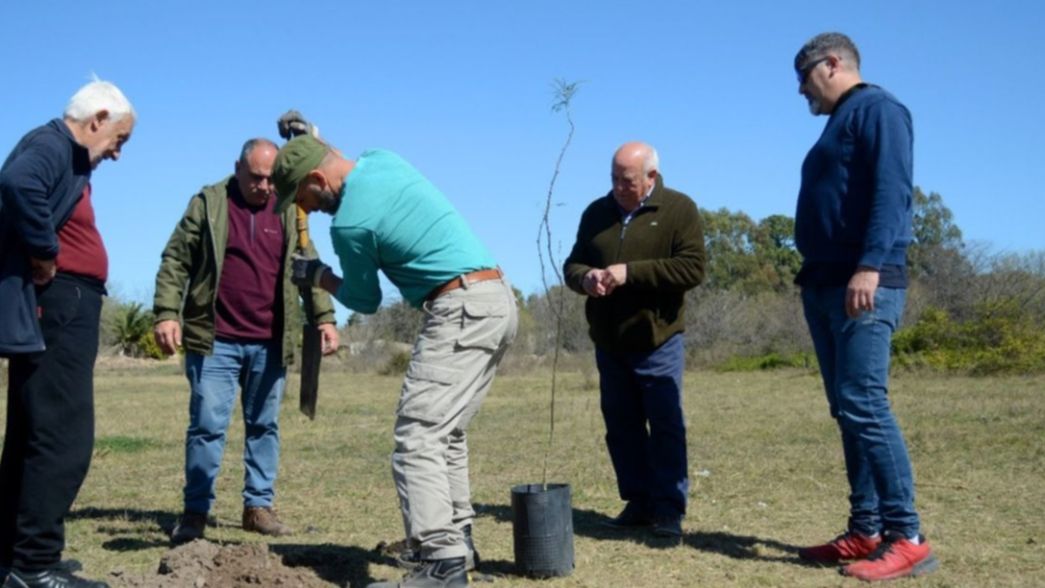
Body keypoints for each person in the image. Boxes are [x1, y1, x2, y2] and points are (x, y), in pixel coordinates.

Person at [272, 135, 517, 588]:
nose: (306, 210)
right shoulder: (381, 159)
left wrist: (318, 275)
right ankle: (458, 543)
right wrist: (308, 139)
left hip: (460, 307)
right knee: (446, 432)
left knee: (418, 434)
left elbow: (364, 300)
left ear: (317, 178)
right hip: (496, 299)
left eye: (303, 198)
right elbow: (329, 156)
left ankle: (441, 562)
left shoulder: (350, 225)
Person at [792, 32, 938, 581]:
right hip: (827, 284)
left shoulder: (879, 109)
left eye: (804, 77)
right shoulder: (842, 120)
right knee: (847, 408)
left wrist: (870, 265)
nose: (801, 90)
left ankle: (908, 536)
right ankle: (866, 529)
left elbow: (892, 192)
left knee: (865, 404)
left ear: (832, 64)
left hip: (864, 283)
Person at [152, 138, 339, 544]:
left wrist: (324, 318)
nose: (264, 186)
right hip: (214, 339)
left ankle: (258, 507)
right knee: (206, 427)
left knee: (264, 427)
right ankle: (195, 513)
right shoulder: (208, 203)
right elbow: (176, 259)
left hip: (270, 341)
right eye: (256, 177)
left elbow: (308, 265)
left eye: (271, 179)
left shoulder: (288, 206)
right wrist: (166, 312)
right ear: (237, 168)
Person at [0, 79, 135, 588]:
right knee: (63, 435)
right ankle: (35, 565)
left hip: (60, 304)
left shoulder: (62, 153)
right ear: (98, 119)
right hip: (60, 304)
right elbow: (17, 183)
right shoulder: (53, 144)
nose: (117, 153)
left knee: (32, 430)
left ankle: (13, 558)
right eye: (119, 138)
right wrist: (44, 251)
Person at [563, 142, 706, 539]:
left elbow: (692, 268)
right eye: (613, 178)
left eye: (626, 180)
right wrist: (585, 278)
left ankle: (668, 509)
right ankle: (639, 502)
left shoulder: (679, 209)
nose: (618, 187)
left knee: (665, 424)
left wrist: (632, 273)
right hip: (609, 341)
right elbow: (573, 264)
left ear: (651, 177)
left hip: (658, 339)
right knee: (621, 426)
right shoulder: (596, 213)